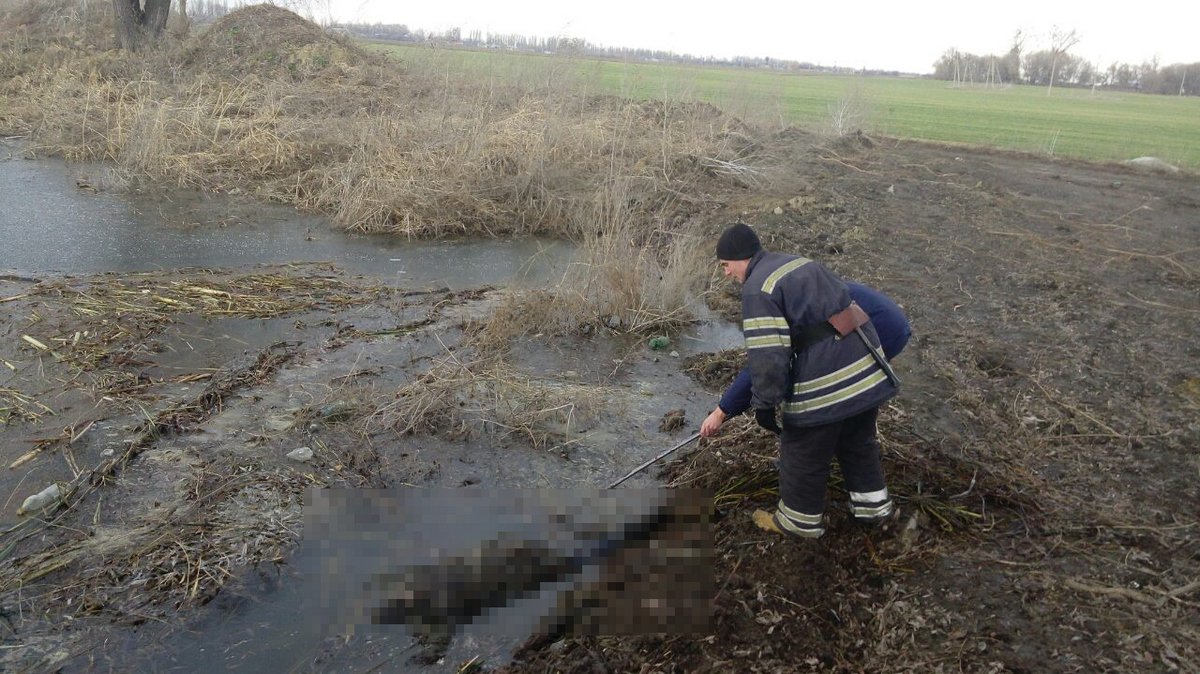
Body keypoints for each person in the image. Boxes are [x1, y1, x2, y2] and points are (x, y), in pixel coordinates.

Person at [707, 222, 904, 539]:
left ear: (740, 257)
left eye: (725, 265)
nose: (726, 273)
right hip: (866, 371)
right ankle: (874, 509)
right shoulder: (798, 264)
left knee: (803, 448)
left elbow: (768, 357)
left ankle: (799, 523)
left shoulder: (758, 288)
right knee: (857, 441)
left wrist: (765, 404)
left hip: (830, 380)